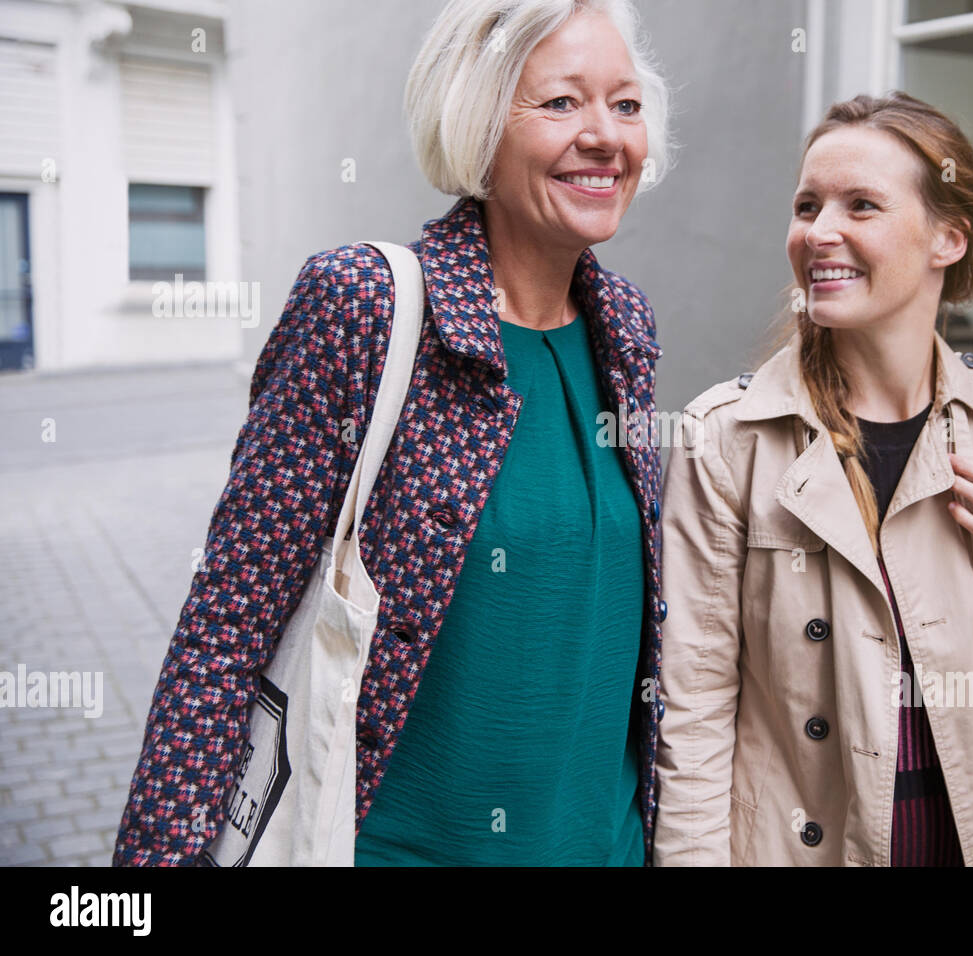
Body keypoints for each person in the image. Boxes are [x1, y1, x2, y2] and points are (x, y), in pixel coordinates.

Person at [113, 0, 674, 867]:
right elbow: (227, 622)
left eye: (626, 104)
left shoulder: (624, 326)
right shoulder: (368, 307)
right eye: (561, 103)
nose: (604, 135)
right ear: (478, 120)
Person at [652, 92, 973, 867]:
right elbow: (691, 709)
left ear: (947, 239)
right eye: (807, 205)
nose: (819, 232)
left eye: (862, 205)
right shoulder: (725, 437)